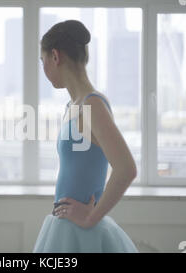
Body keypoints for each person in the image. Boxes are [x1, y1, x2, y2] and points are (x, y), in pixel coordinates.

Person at [33, 19, 138, 253]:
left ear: (55, 56)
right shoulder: (74, 105)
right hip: (65, 228)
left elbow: (126, 169)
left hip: (81, 233)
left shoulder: (92, 105)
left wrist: (91, 217)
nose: (44, 69)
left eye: (43, 61)